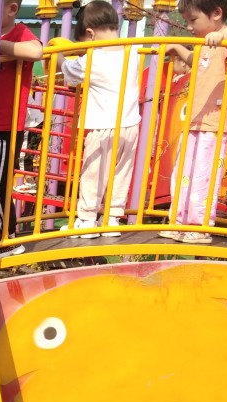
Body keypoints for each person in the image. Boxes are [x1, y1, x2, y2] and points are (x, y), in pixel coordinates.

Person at [160, 0, 227, 244]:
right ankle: (179, 220)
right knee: (183, 174)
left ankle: (200, 226)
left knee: (203, 177)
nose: (189, 26)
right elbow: (194, 61)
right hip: (194, 122)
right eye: (186, 20)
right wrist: (177, 47)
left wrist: (224, 35)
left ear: (216, 13)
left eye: (193, 20)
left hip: (213, 124)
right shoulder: (203, 45)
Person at [59, 0, 141, 238]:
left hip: (103, 127)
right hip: (130, 125)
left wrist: (60, 55)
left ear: (90, 34)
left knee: (93, 172)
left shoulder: (93, 59)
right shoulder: (133, 51)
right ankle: (112, 218)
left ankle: (86, 220)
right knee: (121, 173)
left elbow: (70, 75)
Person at [0, 0, 44, 258]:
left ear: (11, 9)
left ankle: (6, 237)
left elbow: (36, 51)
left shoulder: (19, 33)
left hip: (4, 127)